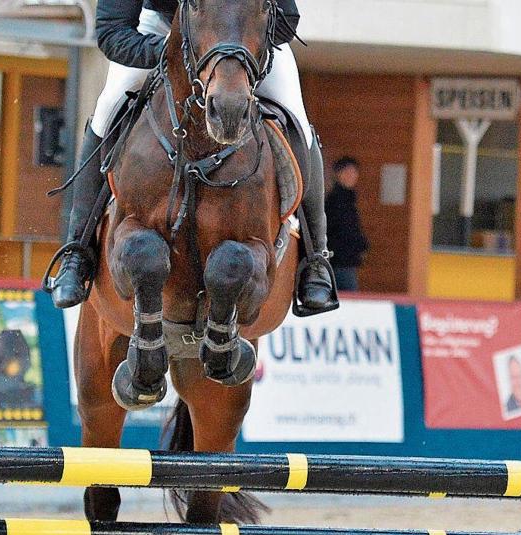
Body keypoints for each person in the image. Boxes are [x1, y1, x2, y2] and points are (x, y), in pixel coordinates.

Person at [48, 0, 338, 316]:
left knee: (294, 113)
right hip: (161, 31)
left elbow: (286, 19)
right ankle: (77, 251)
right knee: (109, 106)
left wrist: (245, 47)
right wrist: (172, 51)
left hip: (241, 38)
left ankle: (315, 259)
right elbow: (112, 31)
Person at [325, 156, 369, 291]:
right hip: (339, 261)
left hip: (346, 260)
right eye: (348, 172)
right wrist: (360, 244)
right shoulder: (336, 201)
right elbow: (344, 230)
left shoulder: (348, 199)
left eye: (354, 173)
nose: (352, 176)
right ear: (339, 174)